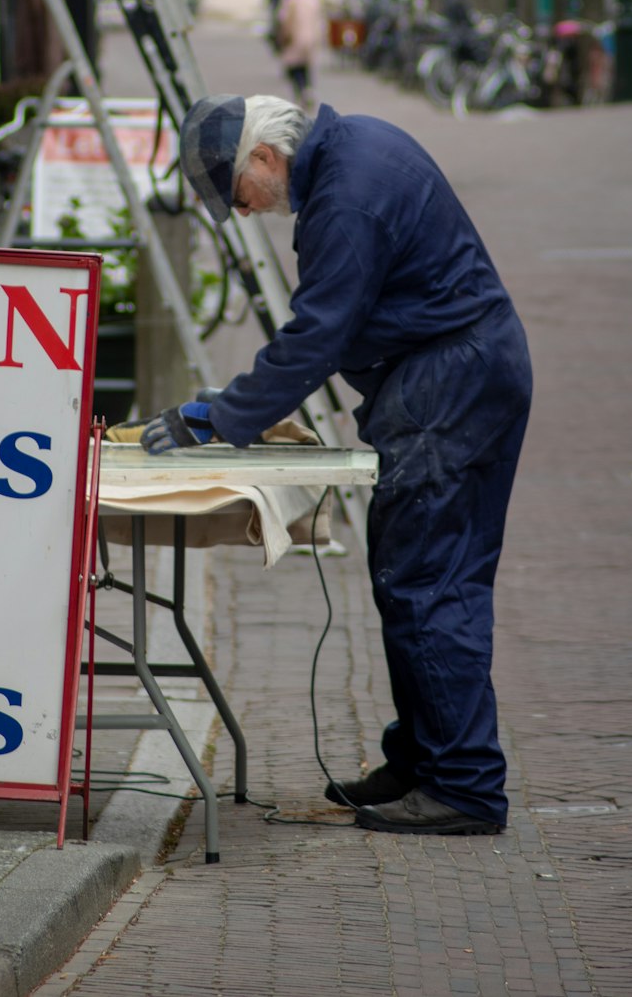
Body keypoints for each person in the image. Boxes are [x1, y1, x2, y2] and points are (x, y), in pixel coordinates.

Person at [141, 93, 533, 836]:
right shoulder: (354, 152)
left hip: (449, 384)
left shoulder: (347, 197)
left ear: (264, 157)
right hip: (458, 374)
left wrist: (220, 418)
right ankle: (425, 761)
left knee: (425, 583)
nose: (248, 211)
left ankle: (464, 787)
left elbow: (317, 336)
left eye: (240, 196)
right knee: (422, 578)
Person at [274, 0, 324, 105]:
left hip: (294, 37)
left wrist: (282, 34)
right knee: (306, 65)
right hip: (311, 37)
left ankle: (300, 90)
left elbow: (284, 19)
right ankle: (308, 89)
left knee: (293, 66)